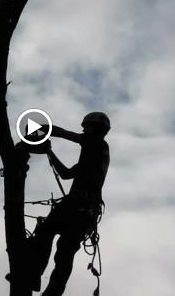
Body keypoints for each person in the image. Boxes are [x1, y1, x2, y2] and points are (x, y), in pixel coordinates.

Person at [28, 111, 111, 296]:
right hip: (87, 214)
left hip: (76, 204)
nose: (83, 130)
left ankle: (33, 274)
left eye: (86, 127)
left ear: (95, 129)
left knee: (45, 230)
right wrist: (49, 151)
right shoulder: (95, 158)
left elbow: (66, 134)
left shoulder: (96, 143)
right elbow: (65, 174)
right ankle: (53, 293)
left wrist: (43, 129)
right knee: (65, 252)